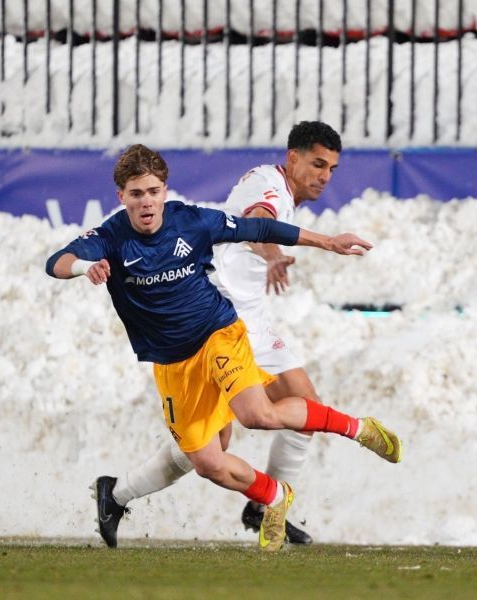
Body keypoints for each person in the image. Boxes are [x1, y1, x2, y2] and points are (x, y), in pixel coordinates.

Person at [46, 143, 402, 553]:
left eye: (154, 191)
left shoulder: (191, 221)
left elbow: (260, 228)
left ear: (165, 190)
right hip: (173, 363)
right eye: (136, 193)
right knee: (209, 461)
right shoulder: (109, 237)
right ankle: (271, 497)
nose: (146, 202)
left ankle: (360, 429)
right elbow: (56, 261)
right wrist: (82, 267)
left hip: (219, 333)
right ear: (121, 196)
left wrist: (326, 242)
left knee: (258, 414)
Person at [93, 122, 347, 548]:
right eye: (317, 164)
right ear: (293, 158)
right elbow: (256, 221)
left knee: (258, 429)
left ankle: (264, 508)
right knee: (215, 446)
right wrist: (273, 256)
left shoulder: (282, 189)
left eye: (332, 169)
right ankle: (119, 494)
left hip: (253, 320)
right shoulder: (267, 185)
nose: (324, 175)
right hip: (223, 319)